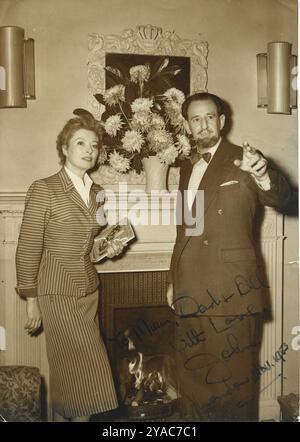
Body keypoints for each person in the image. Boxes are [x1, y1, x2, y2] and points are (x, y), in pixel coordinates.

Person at [166, 92, 291, 421]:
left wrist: (262, 174)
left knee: (232, 392)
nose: (203, 124)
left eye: (210, 116)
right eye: (196, 119)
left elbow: (281, 196)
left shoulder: (245, 159)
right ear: (188, 127)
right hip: (189, 289)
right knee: (193, 383)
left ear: (222, 121)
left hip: (230, 293)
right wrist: (172, 280)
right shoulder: (185, 169)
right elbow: (184, 230)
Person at [15, 113, 125, 422]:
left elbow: (93, 246)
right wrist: (31, 300)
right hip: (57, 293)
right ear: (64, 148)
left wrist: (109, 246)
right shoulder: (44, 189)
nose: (89, 150)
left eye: (94, 145)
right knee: (85, 377)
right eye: (80, 143)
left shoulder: (97, 192)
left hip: (87, 290)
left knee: (69, 377)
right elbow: (27, 247)